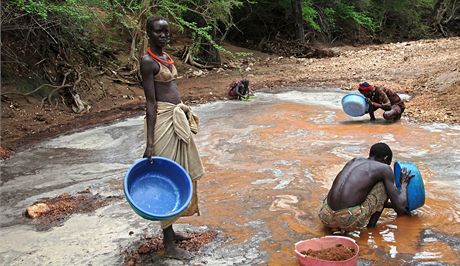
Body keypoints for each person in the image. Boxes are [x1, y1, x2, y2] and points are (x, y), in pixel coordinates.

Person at [140, 16, 205, 259]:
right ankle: (168, 245)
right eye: (159, 32)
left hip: (176, 119)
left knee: (183, 173)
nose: (164, 36)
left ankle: (172, 230)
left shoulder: (166, 57)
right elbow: (150, 103)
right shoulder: (147, 62)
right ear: (149, 33)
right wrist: (149, 143)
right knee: (167, 177)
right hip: (163, 124)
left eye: (167, 32)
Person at [319, 143, 413, 232]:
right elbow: (400, 208)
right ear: (386, 158)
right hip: (348, 219)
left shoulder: (354, 161)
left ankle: (335, 226)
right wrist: (404, 184)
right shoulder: (384, 168)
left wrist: (391, 204)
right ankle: (371, 228)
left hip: (325, 216)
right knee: (385, 185)